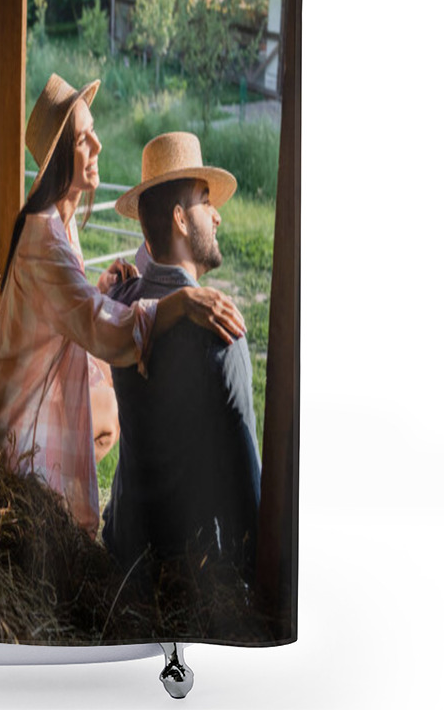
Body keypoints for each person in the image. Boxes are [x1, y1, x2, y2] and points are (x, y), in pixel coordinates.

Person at [0, 76, 247, 538]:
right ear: (62, 157)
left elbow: (68, 303)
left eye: (93, 131)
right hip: (13, 412)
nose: (98, 144)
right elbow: (99, 329)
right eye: (83, 139)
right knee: (97, 423)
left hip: (29, 384)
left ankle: (54, 496)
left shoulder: (60, 221)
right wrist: (176, 303)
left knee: (107, 421)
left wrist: (95, 286)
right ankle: (35, 494)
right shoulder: (43, 236)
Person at [102, 131, 262, 584]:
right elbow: (247, 486)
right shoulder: (219, 332)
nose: (217, 215)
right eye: (205, 200)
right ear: (180, 218)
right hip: (189, 579)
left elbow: (150, 257)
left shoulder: (122, 306)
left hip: (124, 555)